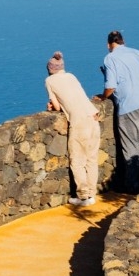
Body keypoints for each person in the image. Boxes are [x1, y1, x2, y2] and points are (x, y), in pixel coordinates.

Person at [96, 30, 139, 193]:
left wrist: (103, 97)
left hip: (130, 105)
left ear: (109, 44)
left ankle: (132, 186)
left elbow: (111, 86)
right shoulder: (138, 53)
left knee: (130, 146)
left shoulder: (110, 58)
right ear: (123, 41)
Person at [44, 51, 101, 206]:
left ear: (50, 68)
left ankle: (83, 197)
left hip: (79, 121)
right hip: (93, 116)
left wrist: (52, 108)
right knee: (91, 159)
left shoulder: (49, 81)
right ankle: (92, 195)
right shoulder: (71, 76)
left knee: (77, 161)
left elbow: (56, 105)